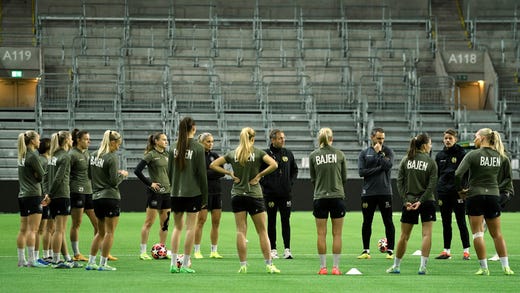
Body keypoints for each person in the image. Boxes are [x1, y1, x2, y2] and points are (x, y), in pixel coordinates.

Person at [210, 127, 280, 274]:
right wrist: (260, 175)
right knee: (262, 232)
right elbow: (274, 164)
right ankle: (269, 264)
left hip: (237, 195)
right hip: (254, 195)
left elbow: (213, 165)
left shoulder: (233, 153)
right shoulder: (258, 152)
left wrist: (229, 172)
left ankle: (243, 265)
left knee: (241, 232)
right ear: (253, 138)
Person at [454, 128, 514, 275]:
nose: (474, 140)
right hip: (494, 196)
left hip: (475, 196)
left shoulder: (472, 155)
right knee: (497, 234)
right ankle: (506, 267)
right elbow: (508, 179)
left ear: (482, 138)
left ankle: (484, 268)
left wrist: (460, 190)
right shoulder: (502, 157)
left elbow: (458, 174)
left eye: (475, 137)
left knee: (477, 234)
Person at [387, 133, 437, 275]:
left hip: (409, 202)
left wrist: (406, 200)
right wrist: (421, 201)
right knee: (426, 235)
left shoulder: (405, 160)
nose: (431, 146)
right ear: (424, 145)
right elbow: (431, 186)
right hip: (427, 202)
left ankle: (396, 266)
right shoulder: (431, 162)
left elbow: (399, 182)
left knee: (404, 236)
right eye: (430, 143)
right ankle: (422, 267)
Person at [168, 117, 208, 273]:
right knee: (190, 229)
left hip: (175, 193)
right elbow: (201, 175)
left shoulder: (172, 147)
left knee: (177, 228)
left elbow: (169, 172)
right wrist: (204, 197)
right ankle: (184, 264)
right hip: (193, 193)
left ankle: (172, 264)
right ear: (194, 128)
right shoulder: (198, 148)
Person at [85, 130, 128, 271]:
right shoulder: (112, 157)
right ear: (113, 142)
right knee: (110, 232)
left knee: (100, 232)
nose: (118, 147)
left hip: (96, 197)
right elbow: (114, 181)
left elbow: (89, 175)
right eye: (118, 144)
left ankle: (91, 262)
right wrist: (123, 175)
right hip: (110, 197)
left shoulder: (92, 155)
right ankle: (103, 264)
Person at [309, 128, 347, 276]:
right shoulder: (340, 154)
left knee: (321, 234)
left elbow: (313, 179)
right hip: (337, 197)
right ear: (332, 138)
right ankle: (336, 268)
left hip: (320, 198)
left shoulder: (313, 155)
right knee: (337, 234)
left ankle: (323, 268)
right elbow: (344, 178)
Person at [42, 131, 83, 268]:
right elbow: (59, 178)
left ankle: (67, 258)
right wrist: (50, 194)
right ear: (65, 141)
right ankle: (56, 260)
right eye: (71, 139)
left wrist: (47, 193)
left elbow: (45, 177)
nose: (72, 141)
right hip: (62, 195)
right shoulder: (65, 157)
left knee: (60, 229)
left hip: (54, 197)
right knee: (59, 230)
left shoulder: (53, 156)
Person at [357, 127, 395, 260]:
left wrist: (379, 154)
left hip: (385, 192)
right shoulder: (364, 153)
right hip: (368, 193)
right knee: (367, 222)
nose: (381, 141)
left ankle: (390, 251)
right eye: (379, 138)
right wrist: (379, 168)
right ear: (372, 137)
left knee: (388, 221)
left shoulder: (388, 151)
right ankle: (366, 250)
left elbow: (388, 166)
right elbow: (362, 172)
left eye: (383, 138)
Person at [259, 129, 298, 260]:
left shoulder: (288, 153)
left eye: (283, 138)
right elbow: (259, 172)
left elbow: (294, 170)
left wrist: (289, 184)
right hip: (270, 194)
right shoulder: (265, 154)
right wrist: (266, 184)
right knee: (271, 221)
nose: (283, 140)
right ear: (273, 140)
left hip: (285, 194)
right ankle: (273, 249)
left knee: (285, 221)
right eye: (280, 138)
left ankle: (287, 249)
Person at [434, 129, 471, 260]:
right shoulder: (439, 156)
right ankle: (446, 251)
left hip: (458, 193)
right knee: (446, 222)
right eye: (446, 138)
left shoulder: (462, 153)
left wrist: (465, 188)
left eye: (450, 138)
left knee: (461, 222)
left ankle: (466, 251)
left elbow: (466, 173)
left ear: (455, 139)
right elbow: (438, 174)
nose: (448, 140)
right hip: (443, 193)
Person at [135, 132, 171, 260]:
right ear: (156, 141)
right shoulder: (151, 155)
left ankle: (162, 249)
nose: (166, 141)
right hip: (155, 194)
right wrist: (150, 184)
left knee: (165, 223)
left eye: (167, 140)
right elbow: (137, 171)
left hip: (167, 193)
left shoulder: (168, 155)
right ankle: (143, 252)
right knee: (149, 222)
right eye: (163, 139)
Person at [16, 130, 47, 268]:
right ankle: (31, 260)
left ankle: (21, 260)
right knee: (33, 230)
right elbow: (42, 175)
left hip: (22, 195)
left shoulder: (21, 156)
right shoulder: (33, 156)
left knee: (23, 229)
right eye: (38, 139)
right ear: (32, 141)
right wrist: (37, 176)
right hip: (33, 194)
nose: (39, 142)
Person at [193, 132, 225, 259]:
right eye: (208, 141)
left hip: (216, 192)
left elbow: (221, 172)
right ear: (201, 142)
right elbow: (199, 174)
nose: (211, 144)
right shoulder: (196, 156)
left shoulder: (215, 155)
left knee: (216, 222)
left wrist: (208, 173)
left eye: (212, 141)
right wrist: (213, 172)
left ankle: (214, 250)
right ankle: (197, 250)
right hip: (202, 193)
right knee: (201, 221)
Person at [69, 129, 98, 262]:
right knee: (77, 223)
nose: (89, 141)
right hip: (77, 192)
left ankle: (102, 251)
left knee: (98, 224)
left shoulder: (87, 153)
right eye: (86, 139)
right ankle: (76, 253)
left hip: (88, 191)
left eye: (89, 139)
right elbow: (66, 174)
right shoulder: (72, 154)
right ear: (78, 140)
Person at [36, 138, 53, 264]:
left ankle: (49, 253)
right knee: (44, 228)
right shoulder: (44, 160)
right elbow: (42, 178)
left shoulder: (45, 159)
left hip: (46, 195)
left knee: (49, 228)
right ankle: (45, 254)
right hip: (45, 196)